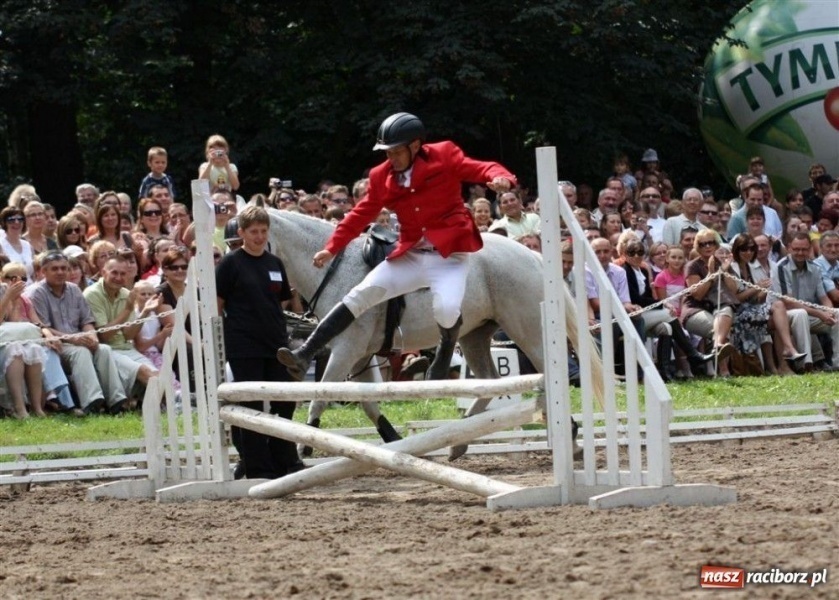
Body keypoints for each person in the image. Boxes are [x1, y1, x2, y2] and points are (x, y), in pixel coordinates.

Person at [277, 112, 516, 382]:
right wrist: (331, 248)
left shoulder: (444, 155)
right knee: (360, 294)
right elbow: (361, 213)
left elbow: (479, 168)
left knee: (446, 309)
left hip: (448, 256)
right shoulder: (382, 175)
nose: (390, 158)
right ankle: (305, 352)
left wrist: (500, 177)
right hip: (411, 255)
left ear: (415, 146)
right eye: (386, 152)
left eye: (396, 152)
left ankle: (445, 351)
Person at [217, 205, 303, 478]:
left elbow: (283, 302)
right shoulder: (230, 263)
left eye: (263, 231)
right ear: (241, 232)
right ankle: (257, 467)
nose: (259, 236)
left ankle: (281, 459)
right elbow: (218, 305)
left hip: (276, 343)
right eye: (253, 231)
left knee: (284, 401)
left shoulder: (274, 263)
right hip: (244, 345)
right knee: (252, 406)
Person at [24, 251, 130, 414]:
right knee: (80, 353)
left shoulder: (74, 290)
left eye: (64, 268)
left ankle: (116, 400)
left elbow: (86, 321)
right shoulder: (37, 292)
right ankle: (92, 401)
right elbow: (42, 327)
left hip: (78, 339)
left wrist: (91, 337)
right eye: (55, 269)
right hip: (55, 345)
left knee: (104, 349)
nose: (60, 272)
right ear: (43, 271)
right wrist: (74, 339)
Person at [771, 232, 839, 372]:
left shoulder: (815, 268)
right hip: (782, 314)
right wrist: (820, 314)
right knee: (800, 313)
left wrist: (829, 312)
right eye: (796, 249)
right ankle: (806, 364)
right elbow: (788, 302)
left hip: (809, 313)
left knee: (838, 314)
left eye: (804, 249)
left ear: (810, 249)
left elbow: (824, 298)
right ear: (789, 248)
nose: (800, 253)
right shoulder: (781, 267)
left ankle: (836, 363)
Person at [682, 231, 738, 377]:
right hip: (694, 310)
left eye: (711, 243)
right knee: (717, 327)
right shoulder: (692, 266)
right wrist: (711, 274)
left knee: (726, 310)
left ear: (716, 245)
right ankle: (724, 371)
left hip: (717, 307)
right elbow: (698, 295)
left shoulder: (722, 263)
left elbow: (733, 291)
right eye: (703, 244)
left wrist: (725, 271)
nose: (707, 246)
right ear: (698, 247)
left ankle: (719, 347)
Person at [0, 206, 35, 279]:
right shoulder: (1, 245)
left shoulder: (28, 245)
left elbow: (33, 274)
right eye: (11, 220)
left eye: (20, 219)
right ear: (4, 223)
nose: (16, 222)